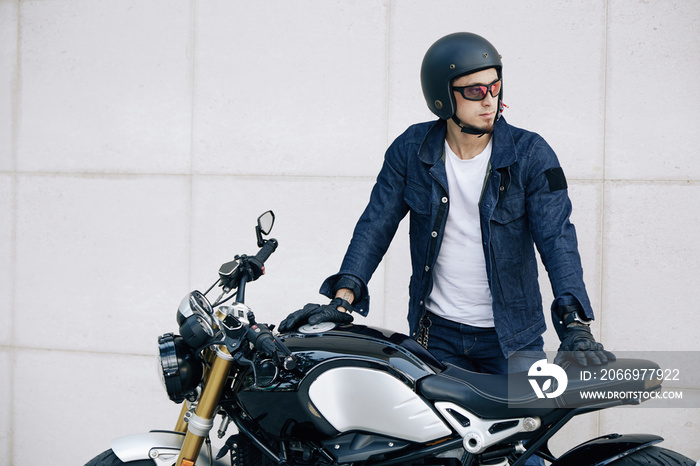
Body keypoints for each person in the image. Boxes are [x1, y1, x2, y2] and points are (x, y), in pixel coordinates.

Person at [279, 32, 614, 374]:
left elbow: (557, 237)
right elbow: (375, 225)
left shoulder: (531, 154)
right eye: (475, 91)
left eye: (495, 87)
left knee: (527, 425)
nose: (489, 101)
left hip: (514, 337)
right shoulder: (411, 150)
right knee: (438, 429)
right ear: (443, 97)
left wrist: (575, 322)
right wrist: (342, 299)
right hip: (435, 335)